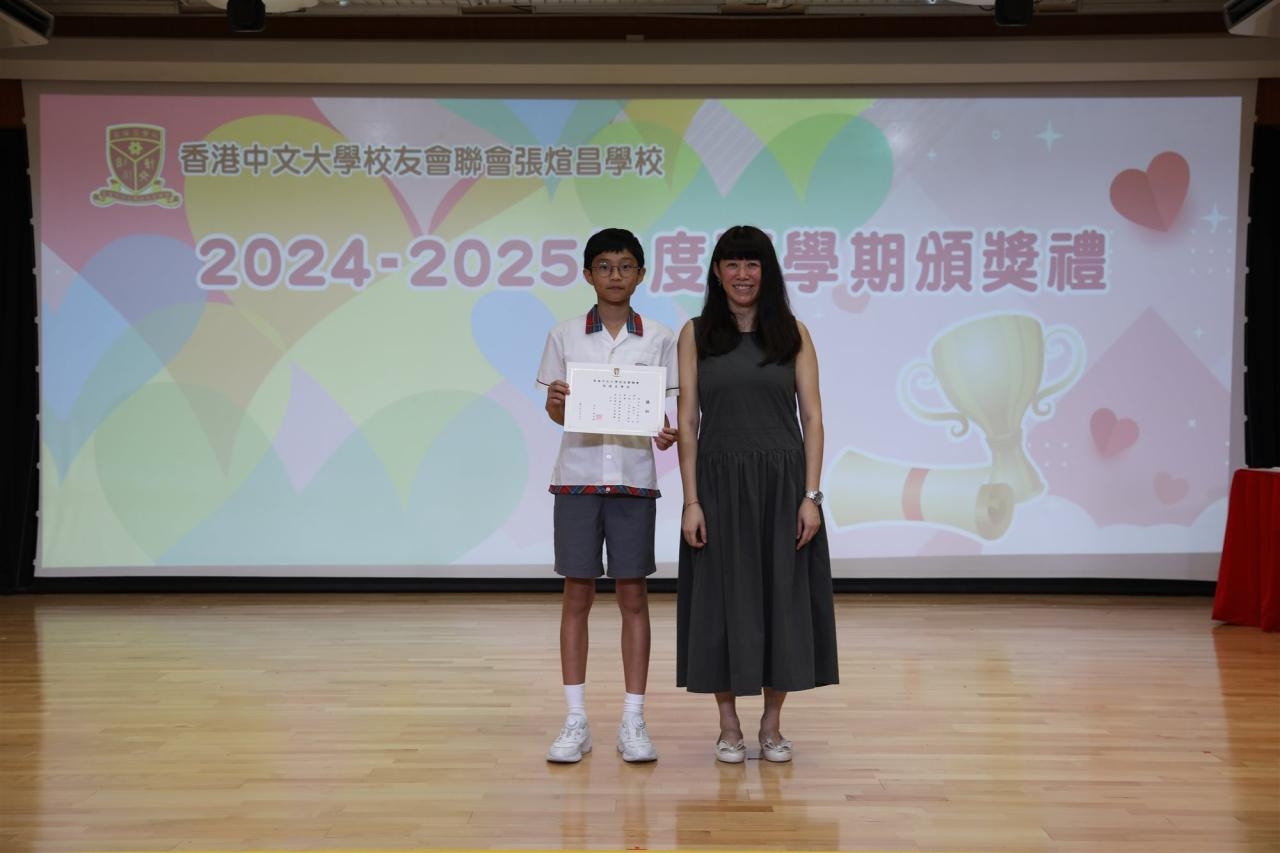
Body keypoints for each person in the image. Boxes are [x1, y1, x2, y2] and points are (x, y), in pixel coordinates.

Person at [675, 225, 839, 764]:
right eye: (732, 263)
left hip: (782, 486)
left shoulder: (794, 333)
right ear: (716, 271)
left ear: (767, 272)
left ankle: (771, 723)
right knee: (721, 601)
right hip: (719, 485)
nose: (742, 275)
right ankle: (728, 725)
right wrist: (691, 501)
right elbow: (688, 421)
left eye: (753, 264)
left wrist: (811, 496)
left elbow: (813, 417)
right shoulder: (695, 334)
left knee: (781, 600)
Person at [536, 227, 679, 764]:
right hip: (577, 478)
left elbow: (665, 414)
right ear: (587, 274)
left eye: (624, 266)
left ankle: (633, 719)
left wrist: (665, 433)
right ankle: (575, 719)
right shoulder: (565, 334)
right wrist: (557, 402)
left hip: (634, 481)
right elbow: (557, 413)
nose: (614, 275)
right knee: (576, 597)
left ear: (641, 274)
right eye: (604, 266)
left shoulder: (660, 337)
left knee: (633, 598)